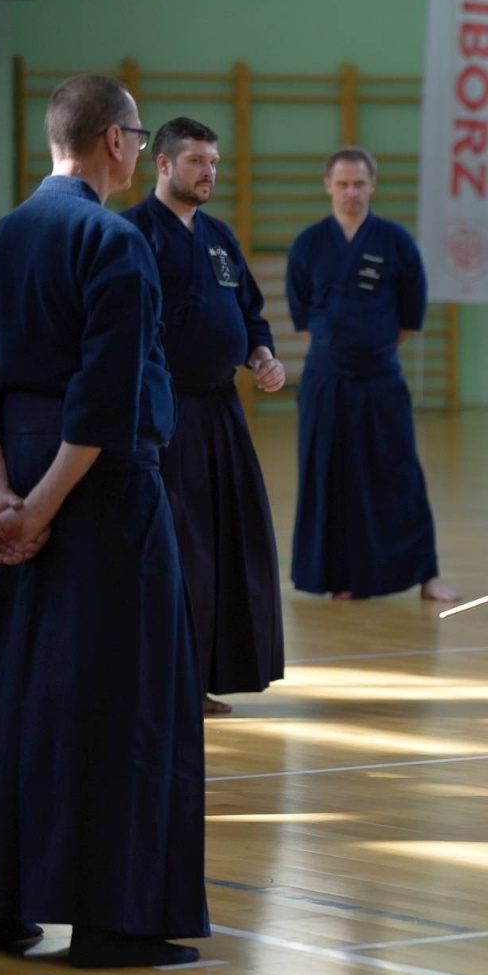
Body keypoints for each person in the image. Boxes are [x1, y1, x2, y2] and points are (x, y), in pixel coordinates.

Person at [0, 75, 208, 966]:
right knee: (126, 705)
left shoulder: (1, 237)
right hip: (103, 505)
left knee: (17, 697)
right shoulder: (114, 243)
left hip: (21, 496)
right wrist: (41, 511)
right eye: (134, 135)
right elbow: (101, 407)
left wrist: (5, 502)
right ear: (118, 143)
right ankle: (113, 922)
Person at [123, 117, 286, 717]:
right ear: (162, 164)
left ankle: (203, 676)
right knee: (177, 549)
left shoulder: (219, 237)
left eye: (213, 161)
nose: (208, 171)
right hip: (164, 417)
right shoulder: (133, 234)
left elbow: (250, 314)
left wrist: (261, 355)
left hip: (223, 414)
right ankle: (163, 683)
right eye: (195, 161)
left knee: (226, 545)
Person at [286, 147, 457, 602]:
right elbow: (302, 318)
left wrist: (371, 349)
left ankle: (426, 575)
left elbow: (409, 316)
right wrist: (340, 351)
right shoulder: (308, 245)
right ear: (328, 186)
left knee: (398, 470)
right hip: (325, 379)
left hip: (381, 376)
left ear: (372, 186)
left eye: (359, 184)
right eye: (342, 184)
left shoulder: (395, 242)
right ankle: (338, 576)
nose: (350, 193)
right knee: (328, 473)